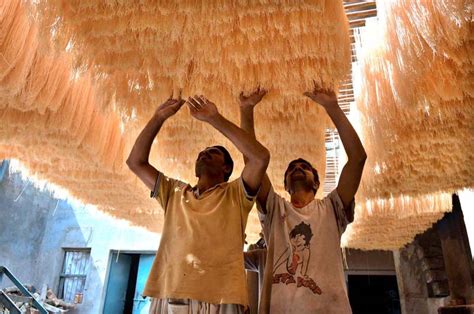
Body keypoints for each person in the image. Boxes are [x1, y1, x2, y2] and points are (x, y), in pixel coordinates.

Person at [127, 93, 270, 313]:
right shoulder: (174, 192)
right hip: (169, 293)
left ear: (227, 169)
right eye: (202, 153)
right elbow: (135, 162)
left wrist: (214, 118)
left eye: (213, 153)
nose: (204, 154)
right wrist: (158, 117)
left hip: (221, 298)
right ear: (195, 169)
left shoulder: (236, 194)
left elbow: (259, 157)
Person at [239, 84, 367, 313]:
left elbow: (357, 158)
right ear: (286, 184)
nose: (297, 167)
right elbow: (252, 161)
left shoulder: (332, 208)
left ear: (317, 183)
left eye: (304, 167)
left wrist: (332, 107)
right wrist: (246, 109)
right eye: (292, 168)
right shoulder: (274, 208)